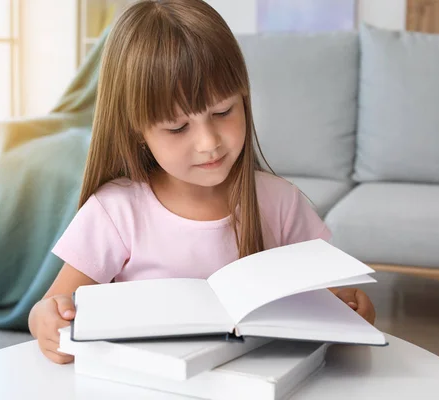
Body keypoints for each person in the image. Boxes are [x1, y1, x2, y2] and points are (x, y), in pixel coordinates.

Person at [28, 0, 376, 364]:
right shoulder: (115, 211)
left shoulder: (281, 203)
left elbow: (341, 299)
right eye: (177, 127)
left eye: (223, 111)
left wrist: (353, 310)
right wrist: (48, 322)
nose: (209, 143)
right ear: (137, 130)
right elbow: (51, 308)